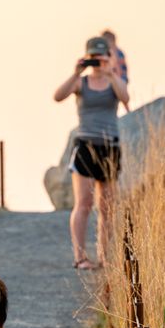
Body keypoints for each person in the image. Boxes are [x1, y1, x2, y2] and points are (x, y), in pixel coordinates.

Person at [53, 36, 130, 270]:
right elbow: (58, 96)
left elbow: (125, 97)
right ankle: (80, 257)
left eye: (101, 57)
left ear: (108, 57)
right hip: (86, 145)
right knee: (84, 203)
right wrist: (76, 72)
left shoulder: (113, 80)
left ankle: (104, 256)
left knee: (107, 206)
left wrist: (110, 73)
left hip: (110, 146)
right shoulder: (81, 83)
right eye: (93, 58)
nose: (97, 62)